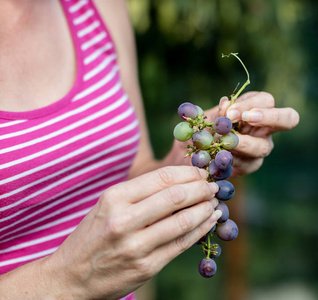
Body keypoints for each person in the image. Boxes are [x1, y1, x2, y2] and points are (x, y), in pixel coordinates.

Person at [0, 0, 299, 299]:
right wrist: (67, 280)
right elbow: (80, 275)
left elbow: (132, 173)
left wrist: (186, 166)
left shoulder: (96, 7)